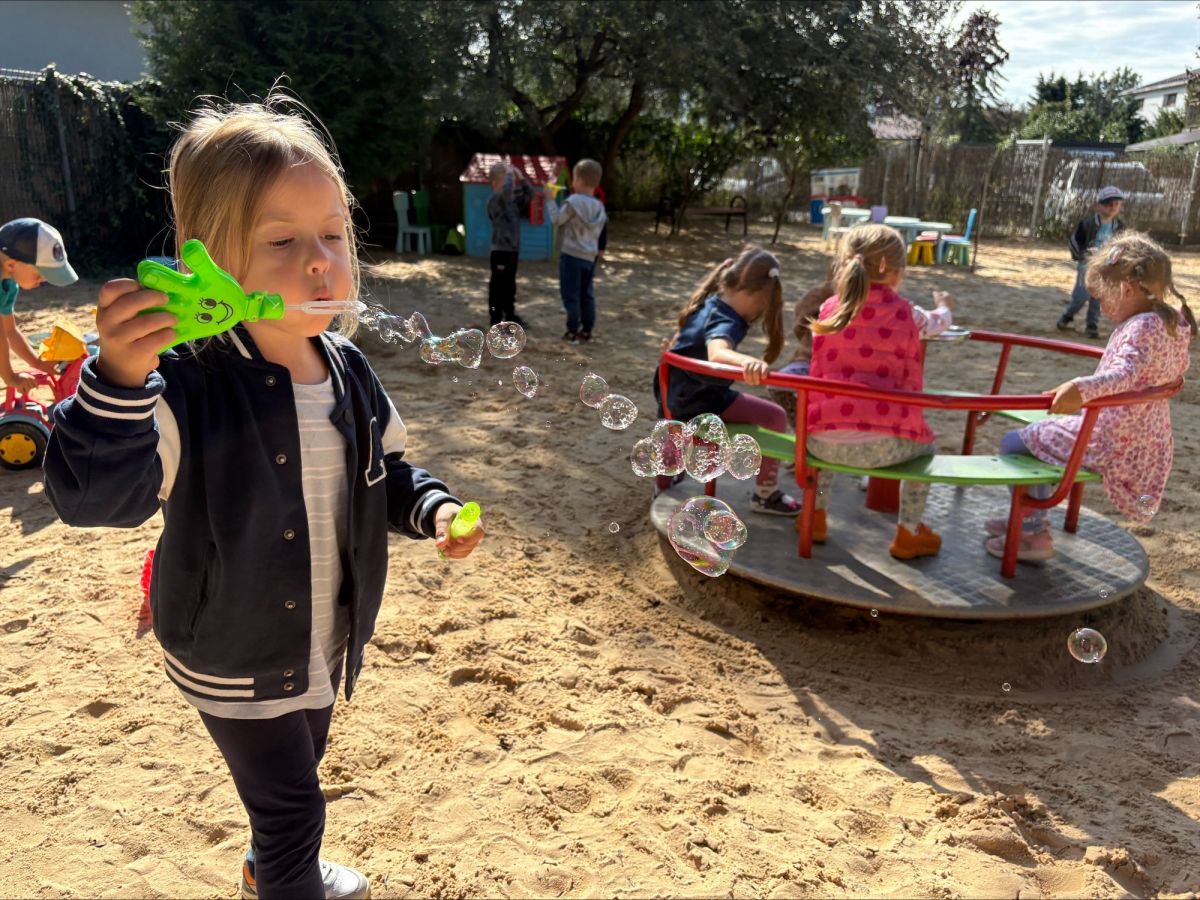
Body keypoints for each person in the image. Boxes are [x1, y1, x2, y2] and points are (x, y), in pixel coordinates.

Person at [42, 97, 485, 900]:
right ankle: (283, 875)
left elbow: (388, 474)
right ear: (208, 261)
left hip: (323, 637)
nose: (319, 262)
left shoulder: (349, 368)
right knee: (293, 810)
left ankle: (264, 870)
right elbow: (95, 499)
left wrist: (437, 511)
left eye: (334, 235)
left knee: (302, 765)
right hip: (235, 648)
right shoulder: (186, 382)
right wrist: (118, 381)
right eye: (282, 241)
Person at [987, 232, 1194, 562]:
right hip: (1147, 441)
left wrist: (1080, 389)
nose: (1101, 306)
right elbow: (1175, 368)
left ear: (1126, 289)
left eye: (1102, 298)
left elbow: (1125, 374)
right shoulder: (1173, 323)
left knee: (1015, 443)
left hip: (1110, 440)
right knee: (1043, 435)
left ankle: (1032, 529)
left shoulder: (1142, 327)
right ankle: (1025, 516)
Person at [807, 224, 956, 559]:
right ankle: (908, 533)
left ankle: (815, 516)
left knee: (830, 423)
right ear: (896, 272)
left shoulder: (829, 310)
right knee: (926, 449)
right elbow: (939, 322)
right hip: (885, 447)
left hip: (820, 443)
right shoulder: (908, 314)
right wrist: (945, 305)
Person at [654, 245, 800, 515]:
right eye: (762, 306)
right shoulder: (728, 319)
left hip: (672, 396)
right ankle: (766, 494)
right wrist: (748, 362)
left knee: (682, 425)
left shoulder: (708, 302)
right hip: (701, 402)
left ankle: (664, 484)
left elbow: (678, 342)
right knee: (776, 417)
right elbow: (717, 352)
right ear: (757, 296)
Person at [0, 217, 79, 392]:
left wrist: (37, 363)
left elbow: (10, 331)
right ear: (11, 264)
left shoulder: (8, 285)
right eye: (40, 274)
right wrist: (10, 377)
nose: (44, 280)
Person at [543, 158, 608, 342]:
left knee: (570, 295)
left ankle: (571, 331)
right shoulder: (600, 207)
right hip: (589, 257)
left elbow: (557, 220)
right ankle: (586, 331)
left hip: (571, 255)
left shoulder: (573, 202)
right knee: (586, 295)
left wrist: (550, 200)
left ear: (578, 180)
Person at [1058, 185, 1126, 339]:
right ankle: (1068, 315)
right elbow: (1075, 242)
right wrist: (1082, 257)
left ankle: (1092, 324)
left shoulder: (1119, 227)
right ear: (1099, 205)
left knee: (1098, 297)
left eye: (1116, 204)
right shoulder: (1087, 224)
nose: (1112, 207)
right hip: (1087, 266)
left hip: (1106, 267)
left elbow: (1122, 246)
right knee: (1081, 296)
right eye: (1108, 204)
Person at [486, 160, 532, 329]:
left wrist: (522, 178)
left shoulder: (512, 202)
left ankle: (510, 316)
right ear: (495, 182)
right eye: (506, 179)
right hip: (500, 251)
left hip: (512, 250)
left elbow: (529, 194)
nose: (510, 183)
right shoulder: (494, 200)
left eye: (510, 180)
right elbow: (505, 193)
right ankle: (496, 319)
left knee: (510, 286)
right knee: (497, 287)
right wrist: (511, 174)